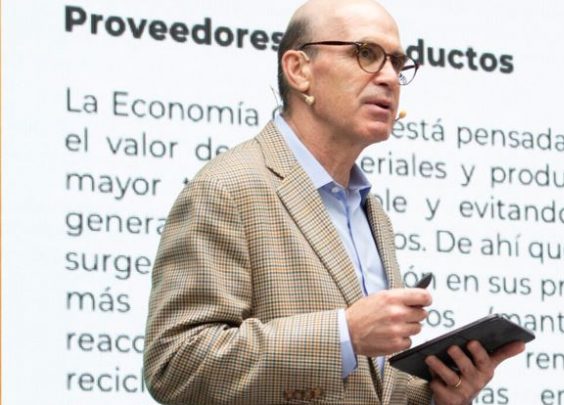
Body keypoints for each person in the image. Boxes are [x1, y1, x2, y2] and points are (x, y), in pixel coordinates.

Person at [142, 0, 525, 404]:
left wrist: (436, 396)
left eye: (397, 63)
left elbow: (366, 387)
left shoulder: (370, 211)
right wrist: (344, 334)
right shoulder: (226, 189)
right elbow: (175, 364)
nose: (389, 78)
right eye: (367, 54)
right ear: (299, 70)